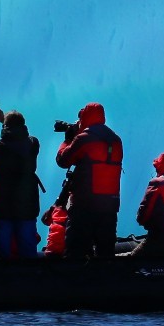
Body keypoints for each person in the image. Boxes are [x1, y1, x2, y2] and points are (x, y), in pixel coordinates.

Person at [54, 101, 122, 259]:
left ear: (84, 117)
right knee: (105, 254)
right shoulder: (116, 140)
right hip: (109, 207)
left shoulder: (85, 138)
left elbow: (63, 161)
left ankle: (78, 282)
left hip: (84, 206)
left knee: (74, 253)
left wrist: (68, 139)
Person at [0, 100, 44, 258]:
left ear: (5, 127)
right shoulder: (33, 144)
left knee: (2, 255)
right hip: (27, 207)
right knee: (28, 255)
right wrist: (5, 118)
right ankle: (29, 280)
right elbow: (21, 136)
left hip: (2, 208)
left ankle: (3, 281)